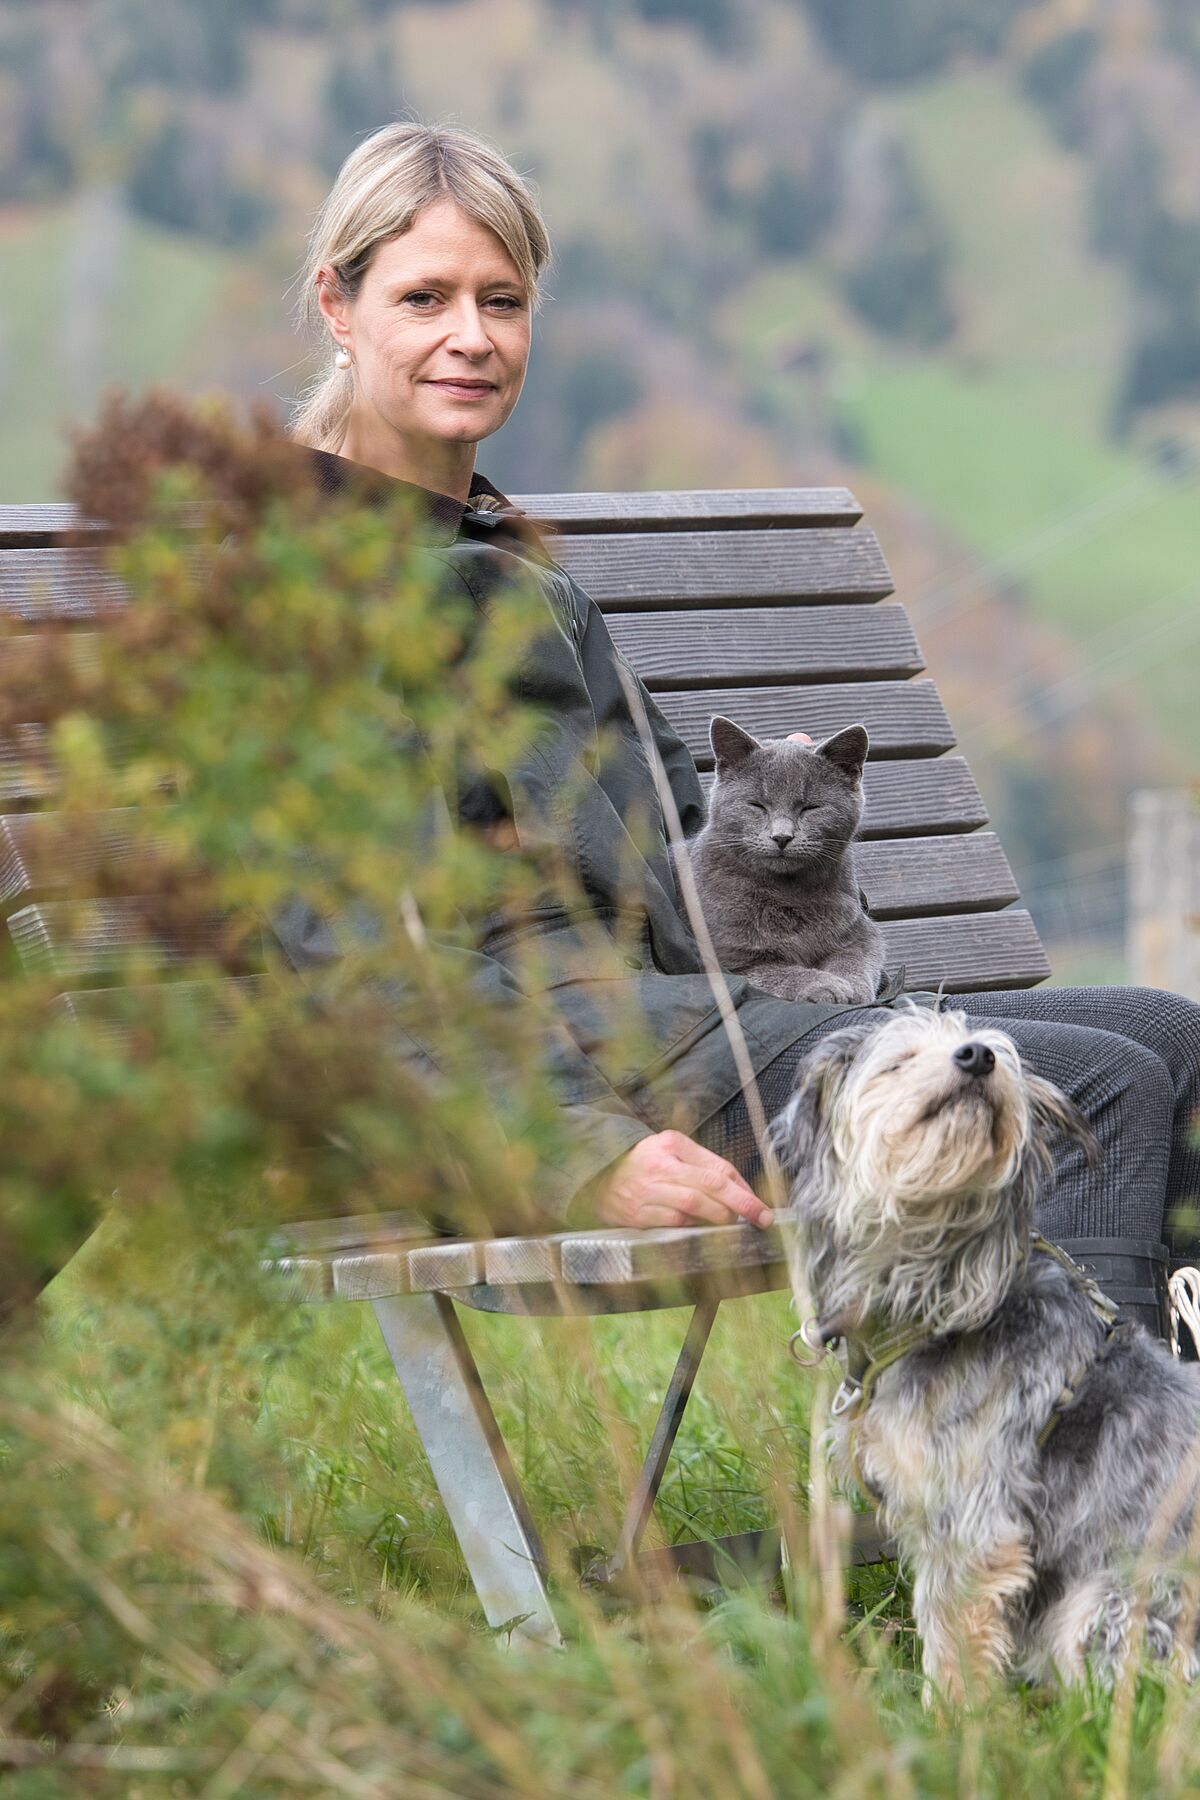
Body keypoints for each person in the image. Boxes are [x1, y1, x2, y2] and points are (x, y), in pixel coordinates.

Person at [287, 119, 1200, 1305]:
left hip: (704, 1014)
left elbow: (682, 827)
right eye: (425, 298)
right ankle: (1070, 1483)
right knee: (1099, 1088)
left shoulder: (506, 565)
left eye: (502, 301)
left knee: (1172, 1040)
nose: (472, 337)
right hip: (588, 1069)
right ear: (337, 305)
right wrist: (580, 1155)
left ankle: (1140, 1448)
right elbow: (354, 952)